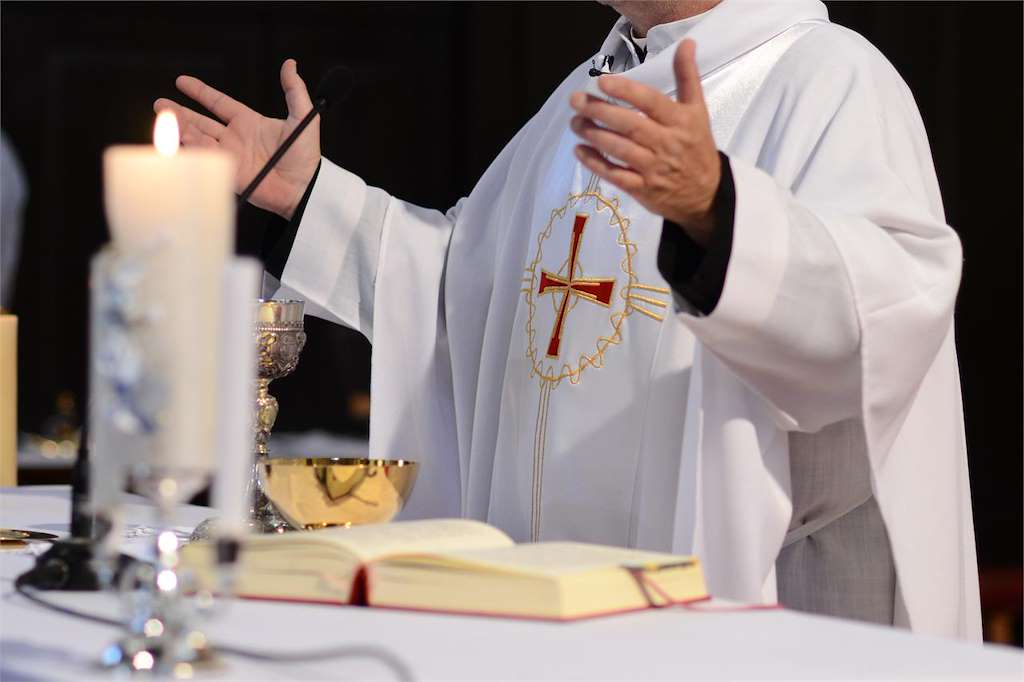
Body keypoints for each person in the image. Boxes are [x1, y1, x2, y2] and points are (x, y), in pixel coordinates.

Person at [155, 0, 980, 638]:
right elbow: (461, 291)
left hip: (742, 606)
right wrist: (304, 196)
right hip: (549, 617)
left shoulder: (827, 77)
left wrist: (719, 214)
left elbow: (889, 307)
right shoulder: (584, 95)